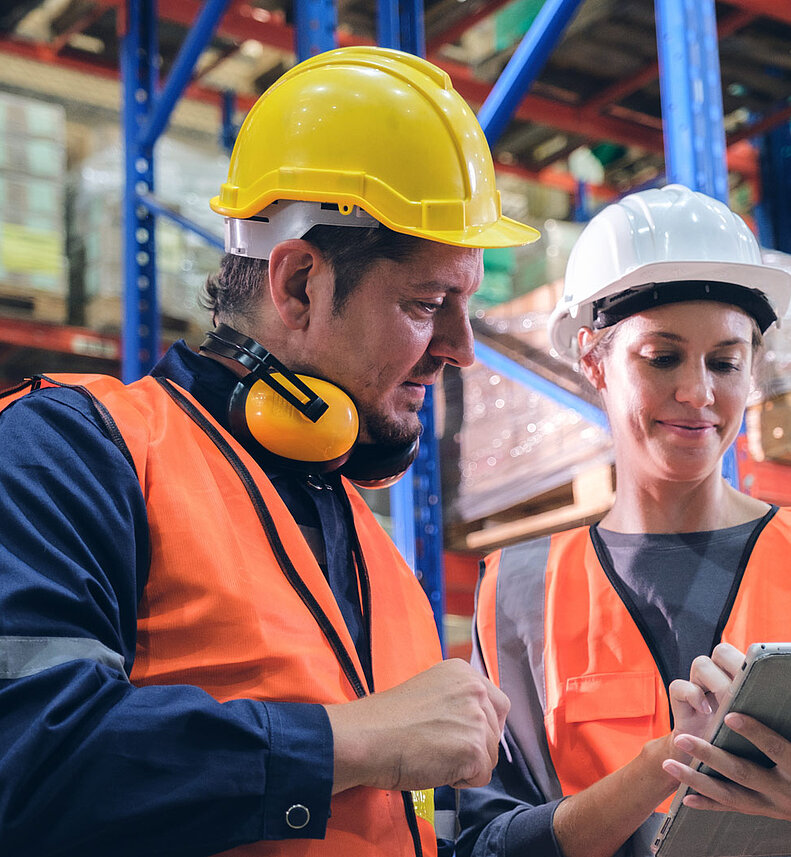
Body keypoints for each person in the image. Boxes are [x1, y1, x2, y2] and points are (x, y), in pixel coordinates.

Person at [0, 47, 541, 857]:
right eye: (430, 303)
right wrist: (346, 741)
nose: (460, 350)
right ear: (296, 284)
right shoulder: (76, 447)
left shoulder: (377, 559)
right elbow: (26, 763)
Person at [456, 183, 791, 857]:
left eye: (724, 361)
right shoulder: (520, 592)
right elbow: (487, 843)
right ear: (590, 358)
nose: (697, 392)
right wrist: (661, 765)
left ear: (753, 368)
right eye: (661, 356)